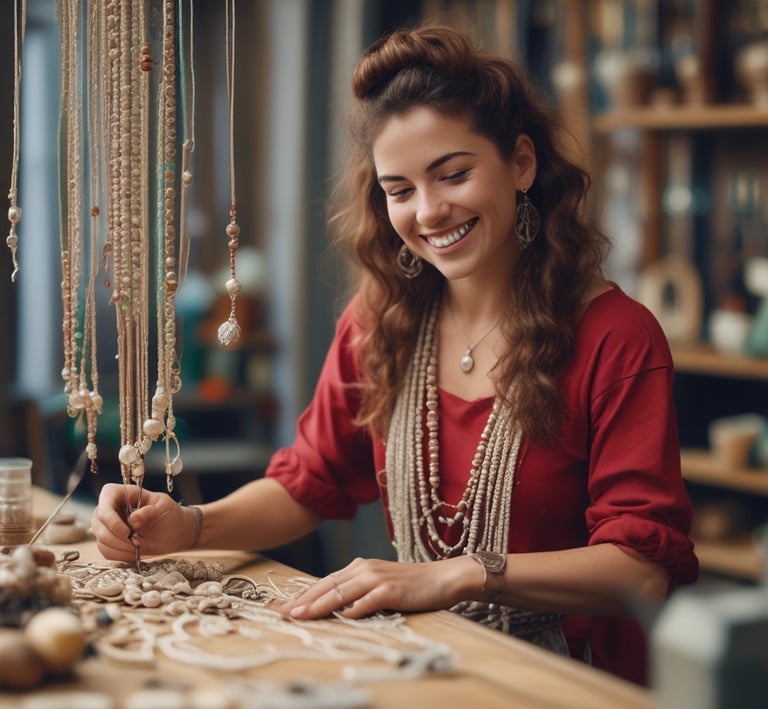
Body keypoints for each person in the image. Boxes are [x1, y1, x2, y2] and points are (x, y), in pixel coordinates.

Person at [91, 24, 698, 685]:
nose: (430, 211)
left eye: (454, 174)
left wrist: (458, 573)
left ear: (521, 162)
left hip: (567, 681)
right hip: (425, 668)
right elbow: (309, 480)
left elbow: (640, 568)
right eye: (400, 189)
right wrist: (191, 524)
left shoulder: (617, 337)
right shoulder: (380, 321)